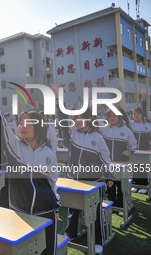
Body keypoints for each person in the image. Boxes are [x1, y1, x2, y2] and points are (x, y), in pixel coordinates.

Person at [0, 76, 59, 255]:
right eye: (20, 123)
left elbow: (53, 182)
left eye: (27, 123)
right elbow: (1, 127)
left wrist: (56, 207)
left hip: (46, 211)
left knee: (48, 250)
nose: (21, 127)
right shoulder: (14, 147)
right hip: (19, 211)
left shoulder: (48, 154)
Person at [51, 84, 114, 254]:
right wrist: (59, 99)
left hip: (93, 182)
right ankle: (71, 233)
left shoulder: (98, 138)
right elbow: (62, 116)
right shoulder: (73, 132)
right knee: (73, 208)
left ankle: (98, 241)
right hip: (74, 178)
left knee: (96, 212)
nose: (76, 120)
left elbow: (106, 159)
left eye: (79, 117)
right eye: (75, 118)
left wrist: (109, 177)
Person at [96, 108, 137, 210]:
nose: (112, 118)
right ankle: (112, 206)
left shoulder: (126, 130)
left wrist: (129, 151)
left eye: (115, 115)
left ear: (119, 116)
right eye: (110, 116)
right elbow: (95, 121)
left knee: (121, 186)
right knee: (110, 186)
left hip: (122, 164)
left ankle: (121, 206)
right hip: (108, 164)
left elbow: (134, 144)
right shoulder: (104, 129)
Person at [119, 99, 151, 194]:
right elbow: (124, 116)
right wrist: (119, 106)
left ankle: (144, 185)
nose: (136, 116)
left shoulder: (148, 125)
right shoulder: (131, 125)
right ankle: (136, 184)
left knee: (143, 167)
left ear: (141, 114)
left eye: (137, 114)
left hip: (144, 152)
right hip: (134, 151)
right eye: (134, 114)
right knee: (135, 167)